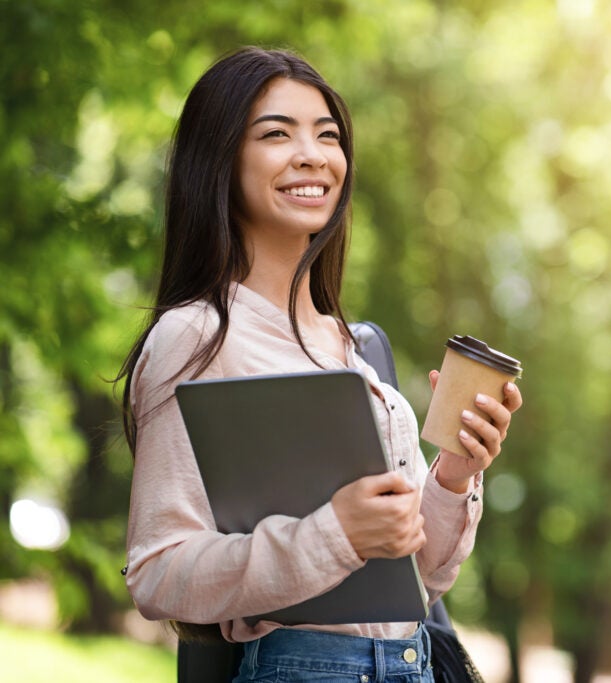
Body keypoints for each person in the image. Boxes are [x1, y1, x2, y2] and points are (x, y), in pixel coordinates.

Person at [118, 46, 522, 683]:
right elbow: (157, 573)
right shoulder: (195, 336)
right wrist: (334, 534)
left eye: (327, 135)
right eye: (277, 133)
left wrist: (455, 475)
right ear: (220, 161)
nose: (313, 155)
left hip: (408, 665)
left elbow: (418, 581)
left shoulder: (355, 348)